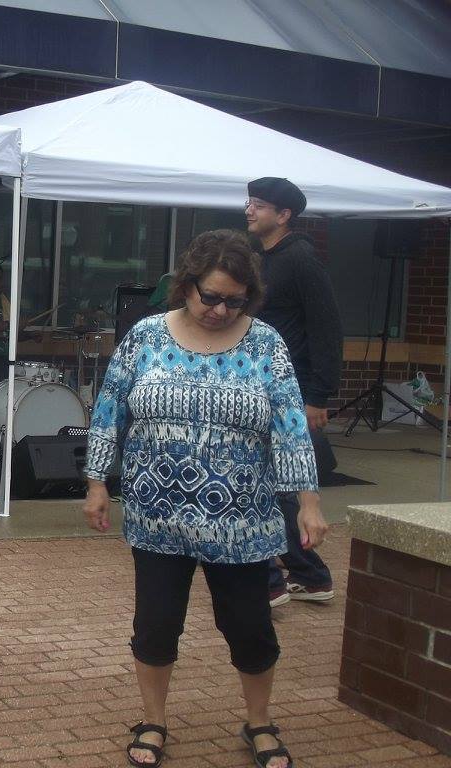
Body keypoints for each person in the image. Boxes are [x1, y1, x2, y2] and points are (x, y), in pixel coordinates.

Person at [82, 229, 326, 768]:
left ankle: (259, 723)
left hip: (240, 523)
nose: (219, 309)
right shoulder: (146, 336)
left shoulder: (265, 344)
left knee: (249, 628)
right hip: (157, 517)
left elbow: (289, 424)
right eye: (209, 296)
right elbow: (109, 409)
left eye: (233, 300)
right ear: (186, 285)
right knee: (156, 624)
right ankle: (153, 720)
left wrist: (308, 499)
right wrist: (98, 482)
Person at [246, 177, 342, 606]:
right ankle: (310, 576)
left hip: (294, 388)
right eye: (249, 202)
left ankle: (269, 581)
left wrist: (318, 396)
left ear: (284, 215)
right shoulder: (258, 258)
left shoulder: (301, 258)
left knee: (261, 479)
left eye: (260, 205)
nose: (249, 210)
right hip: (258, 383)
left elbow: (327, 328)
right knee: (271, 481)